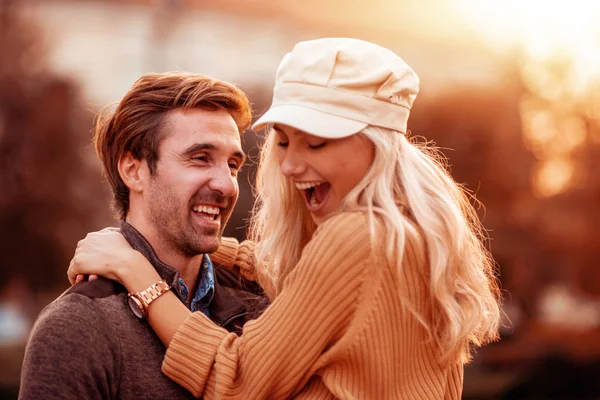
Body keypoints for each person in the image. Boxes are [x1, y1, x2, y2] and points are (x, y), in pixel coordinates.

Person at [68, 38, 502, 399]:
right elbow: (306, 279)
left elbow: (236, 380)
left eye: (315, 144)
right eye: (285, 143)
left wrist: (136, 270)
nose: (291, 166)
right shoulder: (413, 237)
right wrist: (184, 240)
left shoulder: (355, 237)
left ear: (376, 146)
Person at [19, 72, 268, 400]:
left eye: (233, 165)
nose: (226, 184)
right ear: (133, 170)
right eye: (200, 158)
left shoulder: (263, 306)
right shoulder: (78, 327)